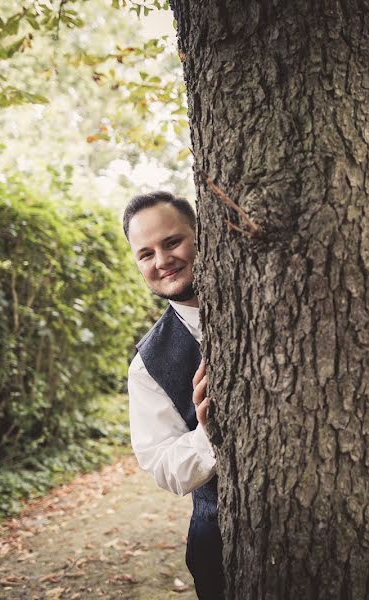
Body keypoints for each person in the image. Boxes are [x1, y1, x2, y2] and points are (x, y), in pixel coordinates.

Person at [123, 191, 224, 599]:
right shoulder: (146, 365)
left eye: (172, 242)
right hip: (219, 536)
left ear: (202, 235)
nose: (162, 260)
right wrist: (208, 434)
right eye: (145, 254)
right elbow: (163, 466)